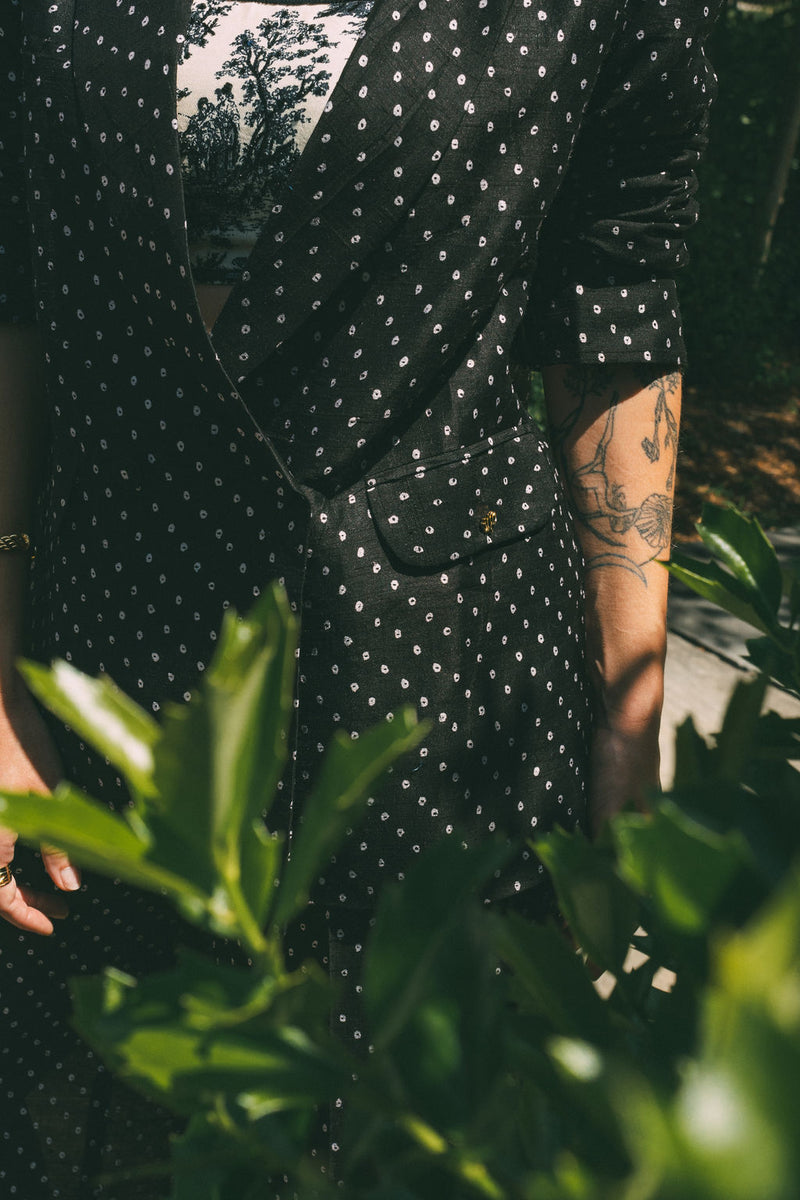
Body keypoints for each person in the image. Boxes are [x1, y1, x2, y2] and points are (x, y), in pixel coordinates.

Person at [0, 0, 722, 1195]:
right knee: (86, 1119)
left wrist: (625, 710)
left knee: (396, 1138)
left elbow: (613, 302)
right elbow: (13, 283)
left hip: (439, 695)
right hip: (99, 660)